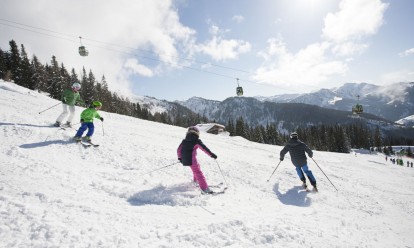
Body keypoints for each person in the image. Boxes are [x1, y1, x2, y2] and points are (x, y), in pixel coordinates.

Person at [177, 126, 217, 194]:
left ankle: (196, 181)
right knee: (198, 173)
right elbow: (204, 148)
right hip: (192, 160)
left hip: (185, 160)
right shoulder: (196, 141)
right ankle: (205, 189)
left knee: (196, 168)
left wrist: (180, 158)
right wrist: (211, 154)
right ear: (197, 133)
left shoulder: (184, 141)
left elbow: (178, 150)